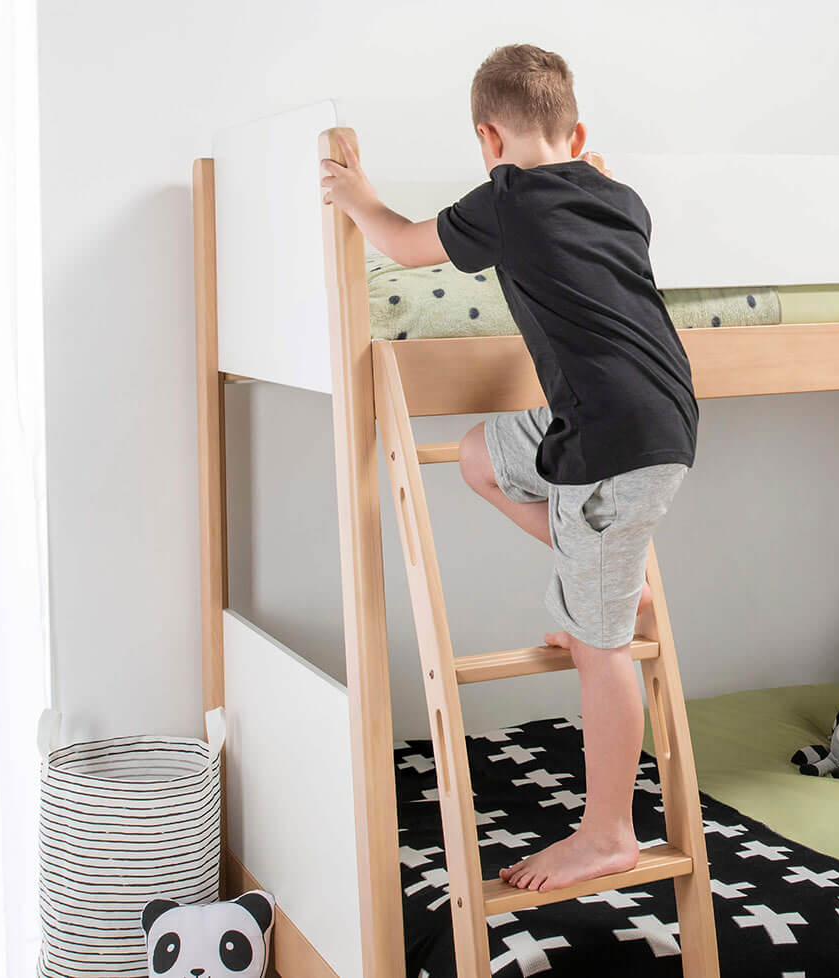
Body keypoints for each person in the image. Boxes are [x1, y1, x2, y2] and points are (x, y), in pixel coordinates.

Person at [319, 43, 697, 892]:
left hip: (612, 444)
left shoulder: (508, 199)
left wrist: (354, 194)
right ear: (581, 132)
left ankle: (607, 831)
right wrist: (584, 170)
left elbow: (404, 244)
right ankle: (611, 584)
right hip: (639, 418)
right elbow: (584, 197)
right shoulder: (619, 199)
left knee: (601, 653)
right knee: (481, 455)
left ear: (488, 138)